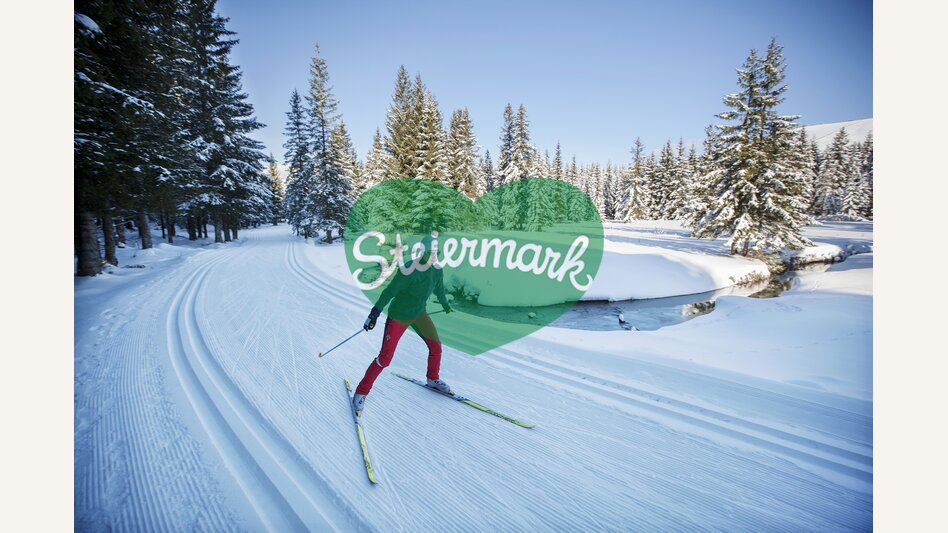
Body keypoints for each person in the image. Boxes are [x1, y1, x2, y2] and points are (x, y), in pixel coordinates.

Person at [352, 235, 453, 415]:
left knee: (436, 347)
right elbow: (389, 292)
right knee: (385, 358)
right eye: (431, 252)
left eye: (437, 252)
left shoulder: (437, 270)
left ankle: (433, 379)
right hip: (399, 316)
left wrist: (445, 304)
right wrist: (373, 314)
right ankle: (361, 391)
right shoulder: (409, 270)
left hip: (419, 313)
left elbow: (439, 289)